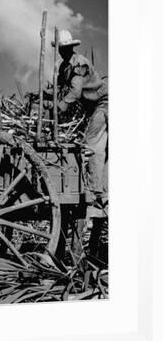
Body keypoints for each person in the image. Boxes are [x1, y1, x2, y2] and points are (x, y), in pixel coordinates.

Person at [51, 30, 108, 216]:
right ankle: (101, 190)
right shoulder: (64, 67)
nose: (63, 51)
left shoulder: (79, 64)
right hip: (93, 107)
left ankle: (95, 192)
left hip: (104, 103)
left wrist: (59, 107)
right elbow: (59, 87)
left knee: (92, 145)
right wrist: (42, 97)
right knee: (93, 144)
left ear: (71, 48)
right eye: (62, 49)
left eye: (66, 48)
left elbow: (74, 93)